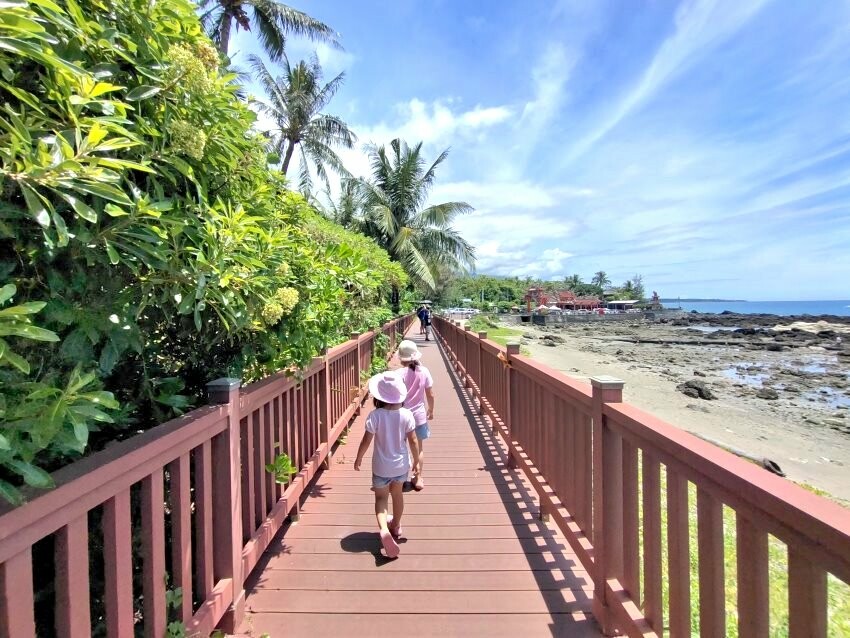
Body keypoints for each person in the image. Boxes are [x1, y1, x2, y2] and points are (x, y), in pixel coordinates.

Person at [354, 372, 420, 558]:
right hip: (400, 466)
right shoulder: (406, 415)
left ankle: (384, 529)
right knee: (397, 495)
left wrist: (359, 457)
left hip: (381, 467)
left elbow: (366, 441)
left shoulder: (375, 416)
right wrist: (416, 462)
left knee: (381, 499)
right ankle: (396, 526)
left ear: (379, 397)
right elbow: (413, 441)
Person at [396, 340, 434, 491]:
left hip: (401, 416)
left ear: (400, 358)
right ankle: (418, 478)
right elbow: (430, 394)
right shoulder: (424, 371)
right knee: (419, 447)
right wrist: (431, 409)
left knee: (401, 447)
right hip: (419, 415)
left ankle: (401, 477)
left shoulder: (398, 374)